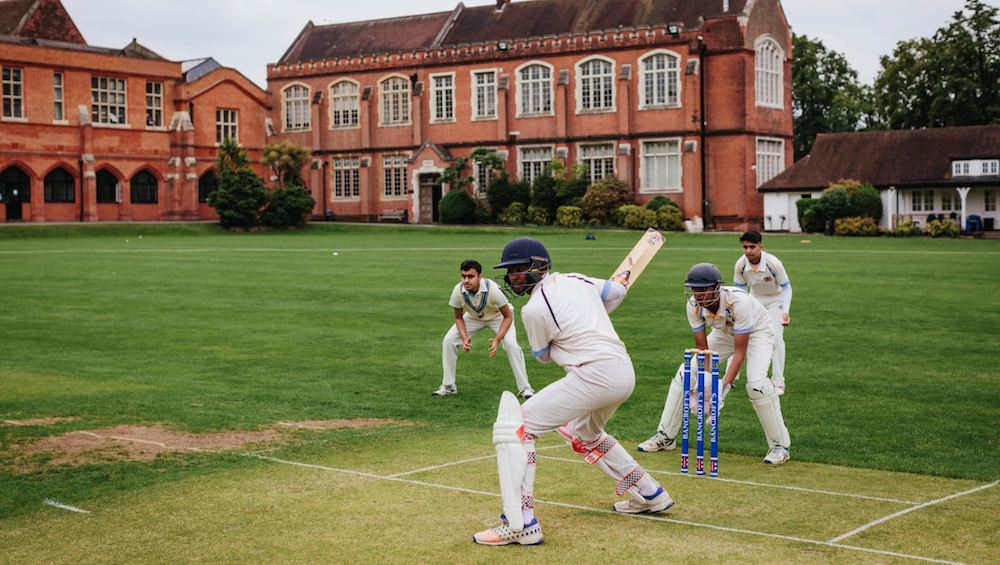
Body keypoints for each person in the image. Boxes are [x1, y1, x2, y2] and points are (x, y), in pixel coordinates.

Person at [473, 238, 673, 546]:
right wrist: (591, 315)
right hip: (623, 371)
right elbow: (617, 290)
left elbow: (541, 355)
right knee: (586, 434)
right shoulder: (578, 279)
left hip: (593, 374)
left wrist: (567, 335)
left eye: (518, 269)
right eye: (510, 271)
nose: (513, 277)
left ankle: (521, 523)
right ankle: (650, 494)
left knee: (519, 427)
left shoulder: (534, 309)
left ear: (538, 266)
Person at [636, 263, 790, 465]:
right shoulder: (693, 306)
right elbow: (703, 349)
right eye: (694, 289)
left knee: (756, 385)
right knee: (686, 374)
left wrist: (721, 388)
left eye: (702, 289)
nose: (697, 295)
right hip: (724, 332)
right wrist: (704, 383)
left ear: (716, 288)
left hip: (757, 333)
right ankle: (665, 436)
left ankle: (780, 446)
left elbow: (739, 353)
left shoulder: (739, 302)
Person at [434, 259, 534, 399]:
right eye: (463, 276)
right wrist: (464, 338)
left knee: (511, 344)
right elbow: (458, 318)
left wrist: (497, 339)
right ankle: (449, 386)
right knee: (449, 341)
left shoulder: (492, 289)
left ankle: (526, 389)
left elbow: (507, 317)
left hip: (498, 316)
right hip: (474, 317)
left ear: (480, 276)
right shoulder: (458, 291)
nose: (466, 280)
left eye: (470, 276)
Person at [733, 231, 791, 395]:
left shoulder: (774, 264)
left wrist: (785, 311)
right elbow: (740, 292)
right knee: (739, 334)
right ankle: (731, 377)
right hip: (754, 300)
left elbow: (786, 287)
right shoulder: (740, 265)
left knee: (776, 339)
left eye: (752, 247)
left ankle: (778, 383)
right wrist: (738, 313)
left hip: (775, 300)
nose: (748, 251)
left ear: (761, 247)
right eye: (745, 247)